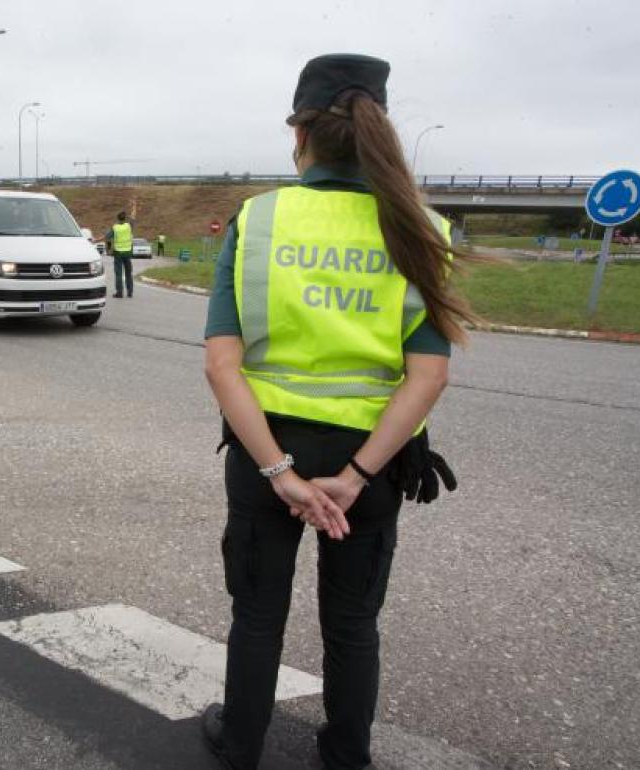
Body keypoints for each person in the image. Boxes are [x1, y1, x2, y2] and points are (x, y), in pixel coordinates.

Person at [200, 54, 472, 770]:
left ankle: (240, 746)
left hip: (269, 455)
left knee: (257, 617)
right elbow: (430, 374)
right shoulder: (421, 229)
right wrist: (352, 476)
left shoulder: (257, 221)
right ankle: (347, 755)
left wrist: (283, 474)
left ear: (301, 134)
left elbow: (221, 367)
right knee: (353, 624)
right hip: (374, 467)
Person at [105, 211, 134, 298]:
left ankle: (119, 292)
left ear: (117, 218)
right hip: (128, 253)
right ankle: (130, 292)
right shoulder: (129, 226)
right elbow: (133, 220)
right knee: (128, 273)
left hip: (118, 253)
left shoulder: (115, 227)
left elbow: (107, 237)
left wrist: (109, 249)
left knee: (119, 274)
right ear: (125, 219)